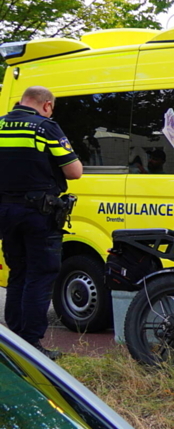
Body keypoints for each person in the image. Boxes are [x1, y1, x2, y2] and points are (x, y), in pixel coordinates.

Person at [0, 86, 83, 359]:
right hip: (39, 213)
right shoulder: (45, 128)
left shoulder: (1, 125)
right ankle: (32, 345)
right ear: (46, 105)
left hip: (6, 211)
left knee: (18, 273)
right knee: (40, 275)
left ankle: (12, 340)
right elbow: (74, 171)